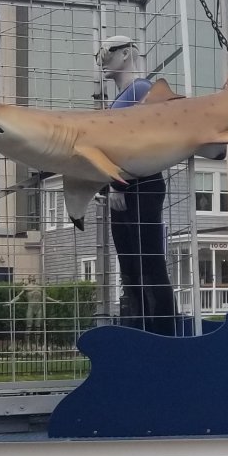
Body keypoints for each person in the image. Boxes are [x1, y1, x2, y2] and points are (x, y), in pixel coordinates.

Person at [97, 35, 178, 336]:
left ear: (127, 54)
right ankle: (142, 333)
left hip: (140, 183)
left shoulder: (141, 90)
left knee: (149, 264)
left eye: (106, 52)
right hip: (122, 187)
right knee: (131, 268)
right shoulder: (120, 98)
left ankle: (163, 336)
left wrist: (119, 181)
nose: (102, 61)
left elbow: (142, 143)